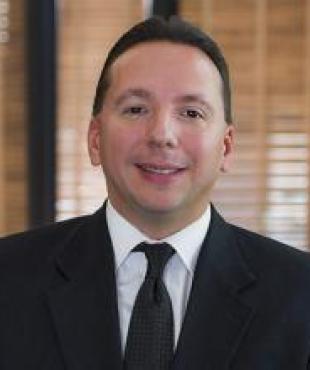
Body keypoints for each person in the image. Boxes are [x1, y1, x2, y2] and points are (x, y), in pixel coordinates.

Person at [1, 16, 310, 370]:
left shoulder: (300, 295)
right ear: (95, 139)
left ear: (226, 147)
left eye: (191, 112)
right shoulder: (8, 280)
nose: (162, 134)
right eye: (136, 109)